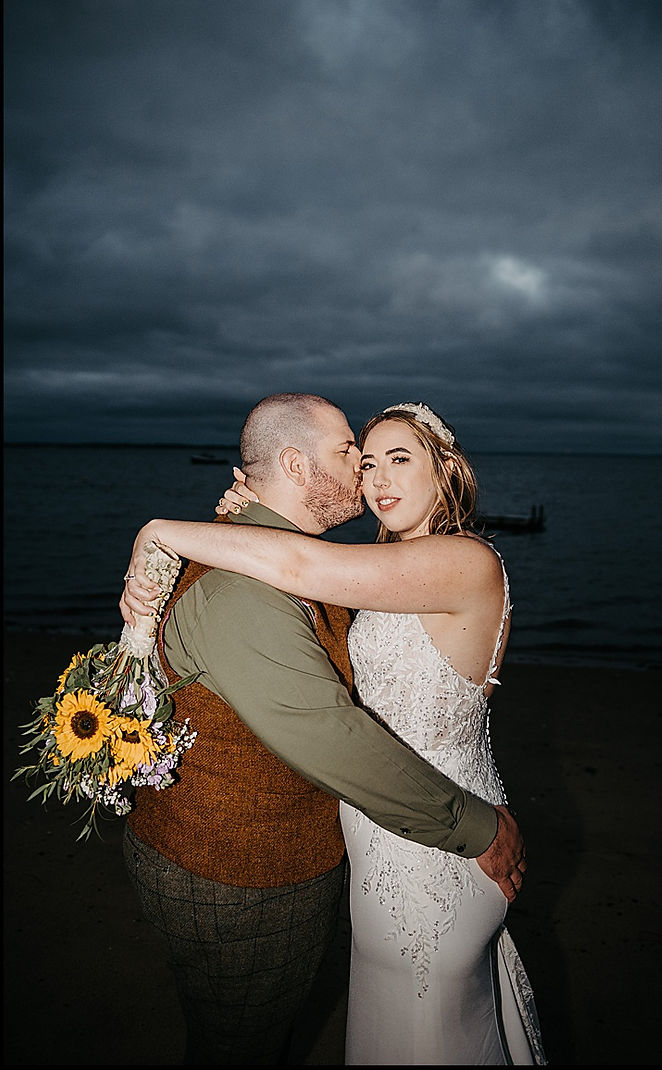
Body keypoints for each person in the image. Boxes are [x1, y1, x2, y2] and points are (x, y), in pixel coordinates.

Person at [120, 396, 544, 1064]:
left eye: (395, 459)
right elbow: (296, 577)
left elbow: (300, 572)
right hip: (355, 840)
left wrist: (159, 534)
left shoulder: (464, 561)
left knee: (428, 1028)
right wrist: (243, 519)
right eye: (359, 455)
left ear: (446, 469)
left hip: (435, 835)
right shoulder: (372, 565)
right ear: (296, 463)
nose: (371, 476)